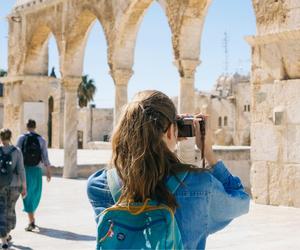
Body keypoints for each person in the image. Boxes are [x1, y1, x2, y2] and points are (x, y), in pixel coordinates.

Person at [87, 90, 250, 249]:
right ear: (172, 131)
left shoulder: (99, 185)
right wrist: (208, 154)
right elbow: (241, 200)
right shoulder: (200, 186)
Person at [16, 119, 52, 232]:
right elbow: (45, 156)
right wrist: (48, 171)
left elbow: (17, 153)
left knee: (26, 194)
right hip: (37, 170)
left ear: (26, 126)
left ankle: (31, 219)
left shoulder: (21, 138)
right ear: (35, 126)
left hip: (24, 170)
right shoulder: (41, 139)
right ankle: (31, 219)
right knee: (35, 194)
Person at [0, 129, 27, 249]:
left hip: (1, 185)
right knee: (10, 209)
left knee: (1, 211)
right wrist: (24, 186)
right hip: (15, 185)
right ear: (11, 137)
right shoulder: (17, 151)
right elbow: (21, 169)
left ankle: (4, 239)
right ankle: (7, 232)